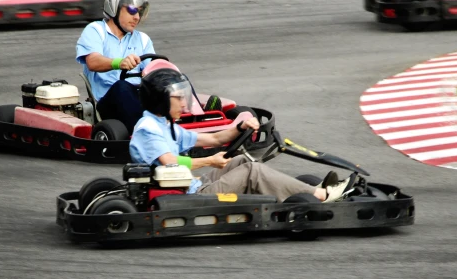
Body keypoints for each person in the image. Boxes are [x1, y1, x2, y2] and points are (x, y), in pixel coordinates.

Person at [129, 69, 351, 203]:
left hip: (189, 186)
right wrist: (210, 161)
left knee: (243, 160)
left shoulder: (166, 124)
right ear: (161, 99)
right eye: (179, 98)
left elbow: (214, 139)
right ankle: (320, 195)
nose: (184, 103)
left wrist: (240, 127)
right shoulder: (149, 128)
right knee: (252, 172)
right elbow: (170, 163)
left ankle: (304, 191)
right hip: (182, 196)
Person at [76, 0, 154, 132]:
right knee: (122, 86)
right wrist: (119, 63)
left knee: (175, 79)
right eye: (132, 10)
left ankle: (203, 118)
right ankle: (148, 131)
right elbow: (92, 62)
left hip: (138, 97)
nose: (136, 17)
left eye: (140, 12)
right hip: (108, 103)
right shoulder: (96, 30)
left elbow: (151, 72)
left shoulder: (142, 39)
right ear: (115, 7)